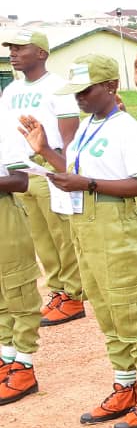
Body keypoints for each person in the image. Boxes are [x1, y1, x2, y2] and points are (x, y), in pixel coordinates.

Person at [22, 54, 137, 428]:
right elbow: (73, 174)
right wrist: (46, 152)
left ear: (109, 87)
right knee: (105, 309)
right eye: (75, 92)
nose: (79, 99)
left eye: (85, 91)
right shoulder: (89, 125)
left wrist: (88, 184)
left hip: (114, 223)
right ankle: (125, 384)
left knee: (130, 307)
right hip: (84, 222)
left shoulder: (126, 129)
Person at [0, 29, 85, 327]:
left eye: (20, 47)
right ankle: (58, 290)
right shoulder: (10, 91)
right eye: (11, 48)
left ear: (41, 52)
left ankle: (75, 295)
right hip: (19, 172)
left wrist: (64, 169)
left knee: (62, 234)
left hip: (48, 165)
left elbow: (70, 134)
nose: (13, 53)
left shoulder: (58, 86)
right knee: (40, 238)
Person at [0, 127, 43, 405]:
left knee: (19, 290)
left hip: (4, 213)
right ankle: (6, 358)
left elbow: (20, 181)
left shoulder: (4, 130)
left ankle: (24, 366)